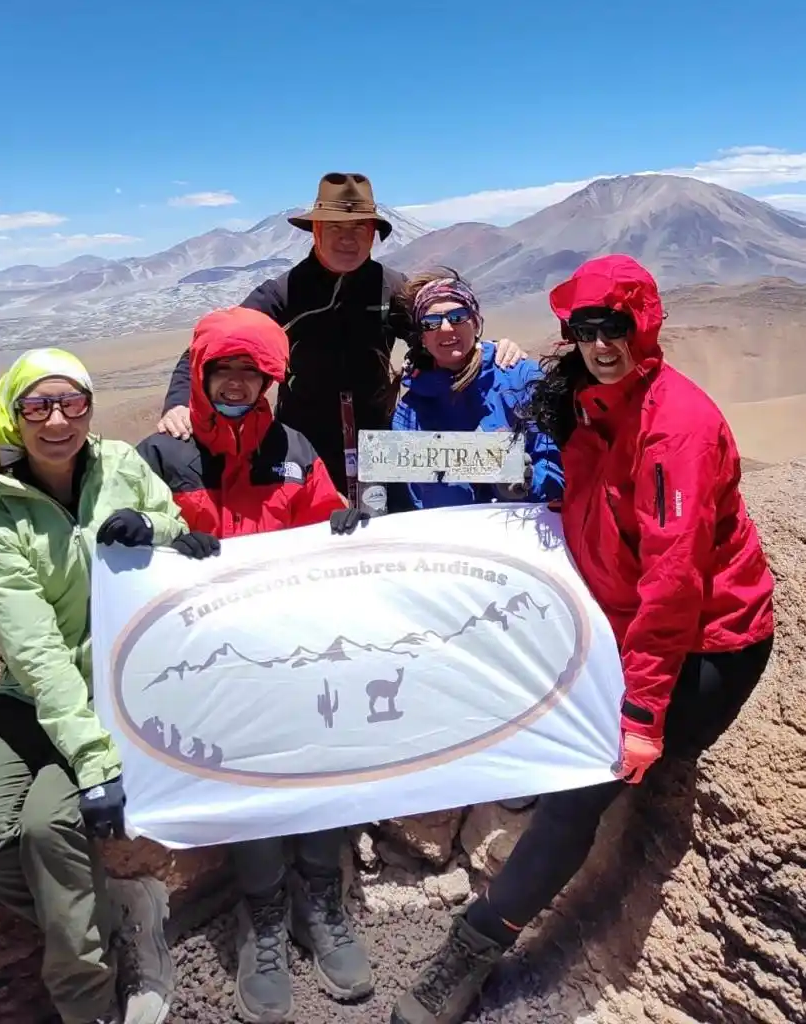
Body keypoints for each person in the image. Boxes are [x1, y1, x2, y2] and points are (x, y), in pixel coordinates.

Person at [391, 254, 775, 1024]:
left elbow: (673, 583)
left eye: (616, 328)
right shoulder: (584, 398)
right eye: (584, 330)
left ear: (646, 326)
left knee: (580, 784)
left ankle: (470, 951)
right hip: (614, 616)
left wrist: (640, 718)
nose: (601, 344)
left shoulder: (675, 430)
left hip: (706, 642)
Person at [0, 348, 218, 1024]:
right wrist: (96, 766)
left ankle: (88, 1002)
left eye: (73, 402)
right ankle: (117, 914)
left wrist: (149, 528)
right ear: (13, 418)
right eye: (37, 406)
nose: (58, 419)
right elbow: (36, 653)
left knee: (48, 828)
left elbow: (181, 531)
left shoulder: (122, 466)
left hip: (118, 687)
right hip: (32, 695)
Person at [137, 307, 371, 1024]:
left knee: (321, 760)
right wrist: (141, 538)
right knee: (244, 774)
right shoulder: (159, 455)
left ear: (270, 380)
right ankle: (262, 917)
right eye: (224, 371)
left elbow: (323, 522)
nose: (238, 383)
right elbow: (126, 534)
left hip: (294, 657)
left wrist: (343, 525)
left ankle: (319, 902)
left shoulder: (295, 449)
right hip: (211, 671)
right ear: (201, 376)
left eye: (252, 373)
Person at [156, 172, 523, 498]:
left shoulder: (392, 288)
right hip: (301, 442)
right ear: (315, 232)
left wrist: (493, 353)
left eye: (359, 230)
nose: (348, 240)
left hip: (381, 436)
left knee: (390, 530)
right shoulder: (285, 292)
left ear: (373, 236)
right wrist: (177, 403)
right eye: (336, 228)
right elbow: (213, 345)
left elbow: (442, 336)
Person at [390, 268, 563, 510]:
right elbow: (419, 501)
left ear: (476, 322)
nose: (447, 328)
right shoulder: (409, 414)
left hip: (525, 532)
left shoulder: (521, 379)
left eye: (458, 316)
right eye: (431, 322)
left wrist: (527, 483)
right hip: (456, 538)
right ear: (422, 338)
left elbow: (557, 465)